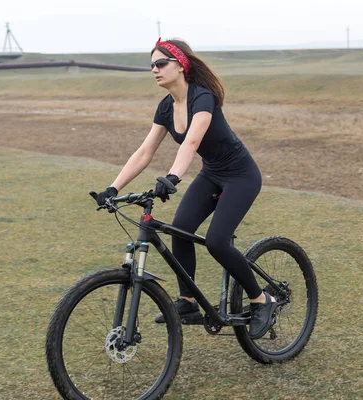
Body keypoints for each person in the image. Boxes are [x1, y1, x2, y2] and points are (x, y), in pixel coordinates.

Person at [95, 38, 277, 340]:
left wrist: (173, 177)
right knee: (179, 228)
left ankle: (261, 299)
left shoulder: (201, 98)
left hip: (241, 175)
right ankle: (188, 302)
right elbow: (144, 152)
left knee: (218, 241)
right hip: (212, 173)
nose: (154, 69)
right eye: (151, 65)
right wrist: (112, 188)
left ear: (180, 65)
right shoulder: (166, 107)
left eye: (160, 63)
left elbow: (191, 142)